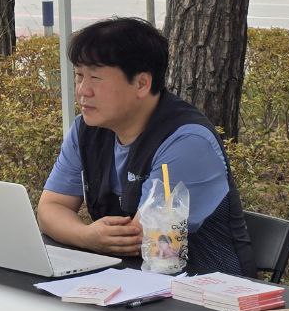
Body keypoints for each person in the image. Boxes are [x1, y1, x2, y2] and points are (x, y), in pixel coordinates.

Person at [36, 18, 255, 276]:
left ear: (141, 84)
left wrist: (83, 235)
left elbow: (139, 239)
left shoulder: (187, 141)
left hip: (207, 294)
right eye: (79, 76)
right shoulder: (86, 130)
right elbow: (50, 209)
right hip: (128, 284)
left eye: (95, 77)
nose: (83, 90)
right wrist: (85, 235)